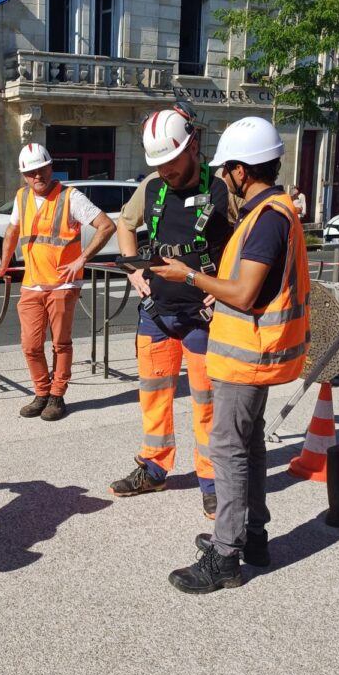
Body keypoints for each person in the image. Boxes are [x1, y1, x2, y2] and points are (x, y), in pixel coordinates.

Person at [152, 116, 310, 593]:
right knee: (250, 444)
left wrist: (192, 278)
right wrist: (215, 291)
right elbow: (248, 290)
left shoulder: (266, 220)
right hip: (256, 351)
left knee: (228, 449)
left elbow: (243, 294)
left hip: (248, 356)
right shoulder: (274, 211)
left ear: (242, 171)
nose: (222, 178)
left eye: (226, 171)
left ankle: (225, 558)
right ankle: (252, 537)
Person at [108, 105, 236, 519]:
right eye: (158, 163)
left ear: (193, 147)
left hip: (205, 317)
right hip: (157, 314)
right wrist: (132, 271)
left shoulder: (223, 189)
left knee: (207, 405)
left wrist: (228, 287)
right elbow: (125, 225)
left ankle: (212, 481)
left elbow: (246, 242)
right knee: (153, 398)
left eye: (171, 160)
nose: (165, 170)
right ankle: (154, 467)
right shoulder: (150, 186)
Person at [0, 143, 115, 421]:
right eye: (31, 172)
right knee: (31, 345)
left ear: (50, 167)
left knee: (60, 343)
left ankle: (57, 396)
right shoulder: (21, 197)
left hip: (62, 284)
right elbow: (12, 231)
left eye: (41, 169)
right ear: (24, 175)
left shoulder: (71, 197)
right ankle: (41, 393)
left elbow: (107, 226)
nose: (37, 176)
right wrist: (3, 264)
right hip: (32, 284)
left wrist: (82, 259)